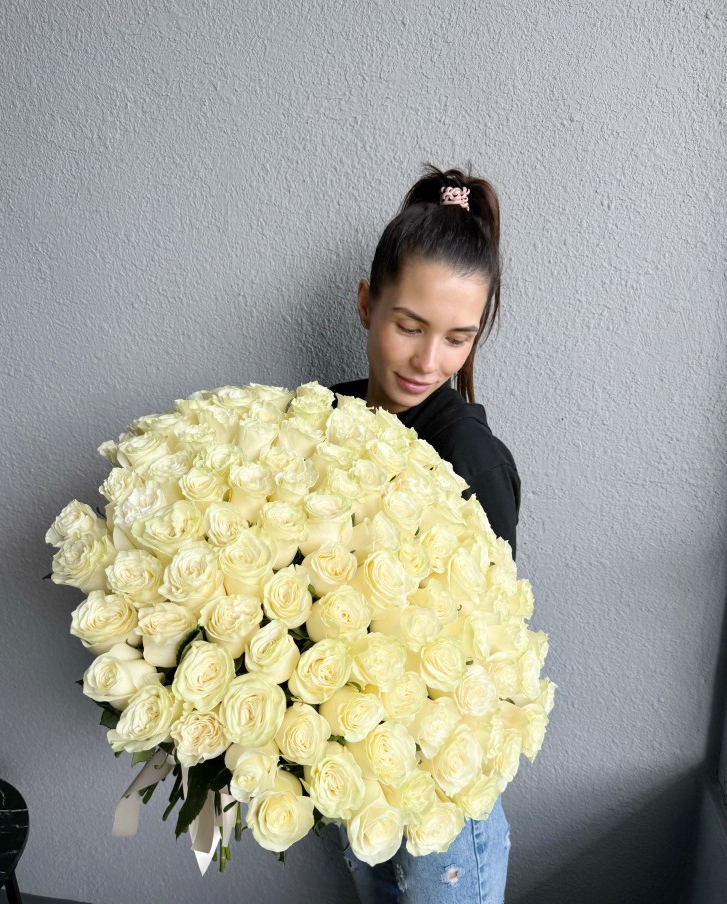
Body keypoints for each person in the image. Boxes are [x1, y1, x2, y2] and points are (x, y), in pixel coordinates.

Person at [329, 164, 520, 904]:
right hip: (358, 778)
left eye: (457, 339)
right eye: (408, 326)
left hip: (442, 802)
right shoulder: (325, 420)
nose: (427, 361)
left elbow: (487, 652)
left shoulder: (468, 456)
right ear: (366, 303)